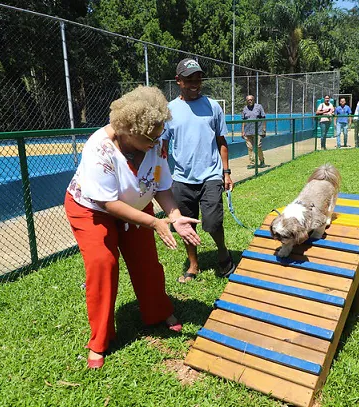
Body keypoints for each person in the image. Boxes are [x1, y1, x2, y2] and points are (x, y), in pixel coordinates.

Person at [64, 86, 202, 369]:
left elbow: (161, 186)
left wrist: (174, 216)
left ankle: (158, 311)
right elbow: (108, 203)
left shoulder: (156, 140)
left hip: (138, 205)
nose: (156, 142)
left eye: (159, 134)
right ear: (127, 129)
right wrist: (154, 222)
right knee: (103, 264)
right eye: (149, 138)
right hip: (93, 210)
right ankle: (99, 341)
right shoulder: (99, 147)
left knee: (147, 263)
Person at [163, 58, 236, 284]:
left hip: (211, 175)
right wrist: (163, 178)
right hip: (182, 178)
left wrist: (226, 172)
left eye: (198, 79)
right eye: (189, 80)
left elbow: (221, 141)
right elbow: (163, 148)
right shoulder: (170, 110)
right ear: (178, 81)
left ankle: (223, 253)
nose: (195, 83)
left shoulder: (213, 106)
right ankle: (193, 264)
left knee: (212, 222)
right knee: (186, 223)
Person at [241, 95, 267, 168]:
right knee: (250, 148)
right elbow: (243, 120)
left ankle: (262, 161)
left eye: (251, 99)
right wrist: (242, 131)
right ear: (246, 101)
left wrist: (264, 129)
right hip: (247, 131)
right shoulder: (245, 109)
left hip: (258, 130)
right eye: (248, 100)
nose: (250, 101)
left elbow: (263, 118)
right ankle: (252, 163)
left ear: (254, 100)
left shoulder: (259, 107)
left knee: (258, 146)